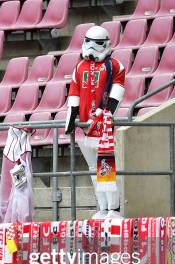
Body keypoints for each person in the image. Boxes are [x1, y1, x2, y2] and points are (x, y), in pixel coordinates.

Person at [64, 26, 126, 219]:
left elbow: (117, 92)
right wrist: (71, 117)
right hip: (85, 127)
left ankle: (113, 209)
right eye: (88, 41)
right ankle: (102, 207)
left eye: (96, 42)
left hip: (105, 127)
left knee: (106, 167)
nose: (91, 47)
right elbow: (74, 92)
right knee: (93, 170)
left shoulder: (115, 65)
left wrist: (105, 113)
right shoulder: (78, 67)